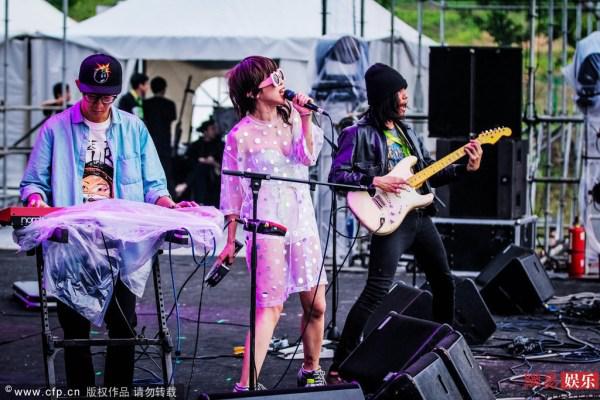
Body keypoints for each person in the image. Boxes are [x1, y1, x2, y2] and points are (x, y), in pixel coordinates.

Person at [20, 53, 196, 388]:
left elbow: (154, 185)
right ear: (78, 88)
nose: (99, 105)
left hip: (121, 244)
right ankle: (81, 392)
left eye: (107, 98)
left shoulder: (134, 128)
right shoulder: (55, 129)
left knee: (124, 327)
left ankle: (118, 392)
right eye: (92, 96)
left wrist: (169, 205)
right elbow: (33, 183)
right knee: (75, 331)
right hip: (74, 244)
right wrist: (36, 200)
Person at [327, 63, 483, 383]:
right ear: (385, 96)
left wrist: (465, 168)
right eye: (399, 92)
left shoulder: (407, 132)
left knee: (444, 282)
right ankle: (339, 365)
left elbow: (429, 173)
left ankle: (442, 350)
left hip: (419, 216)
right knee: (376, 291)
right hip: (389, 218)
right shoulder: (357, 134)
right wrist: (375, 180)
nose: (405, 98)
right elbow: (336, 176)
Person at [217, 56, 327, 391]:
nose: (282, 83)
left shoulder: (292, 117)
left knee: (316, 305)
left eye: (281, 76)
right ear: (253, 92)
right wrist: (230, 240)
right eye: (273, 79)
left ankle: (310, 369)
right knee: (270, 307)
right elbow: (231, 192)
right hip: (266, 228)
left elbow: (307, 157)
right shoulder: (239, 136)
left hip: (302, 222)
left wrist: (305, 117)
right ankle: (247, 385)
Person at [176, 118, 224, 206]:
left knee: (202, 167)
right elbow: (189, 161)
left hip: (214, 175)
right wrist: (200, 160)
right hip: (198, 174)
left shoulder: (219, 145)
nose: (215, 131)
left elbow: (223, 165)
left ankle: (185, 185)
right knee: (200, 168)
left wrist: (212, 162)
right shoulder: (196, 145)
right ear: (205, 131)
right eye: (212, 129)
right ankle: (198, 200)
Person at [143, 76, 177, 194]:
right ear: (164, 89)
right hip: (165, 143)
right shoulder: (170, 104)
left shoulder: (145, 104)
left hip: (150, 143)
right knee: (166, 173)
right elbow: (172, 118)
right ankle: (168, 197)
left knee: (149, 172)